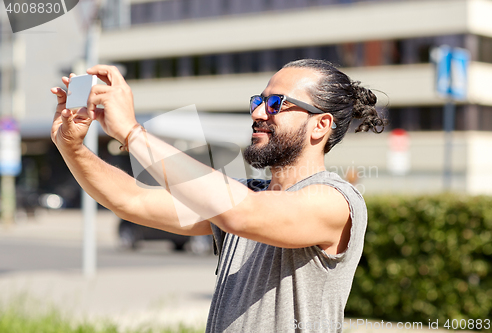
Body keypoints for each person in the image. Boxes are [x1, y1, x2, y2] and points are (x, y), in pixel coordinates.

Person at [50, 58, 385, 332]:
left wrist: (131, 131)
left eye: (275, 104)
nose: (257, 114)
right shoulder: (248, 193)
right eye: (258, 101)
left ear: (320, 125)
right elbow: (131, 200)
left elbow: (240, 213)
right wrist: (71, 147)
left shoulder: (336, 200)